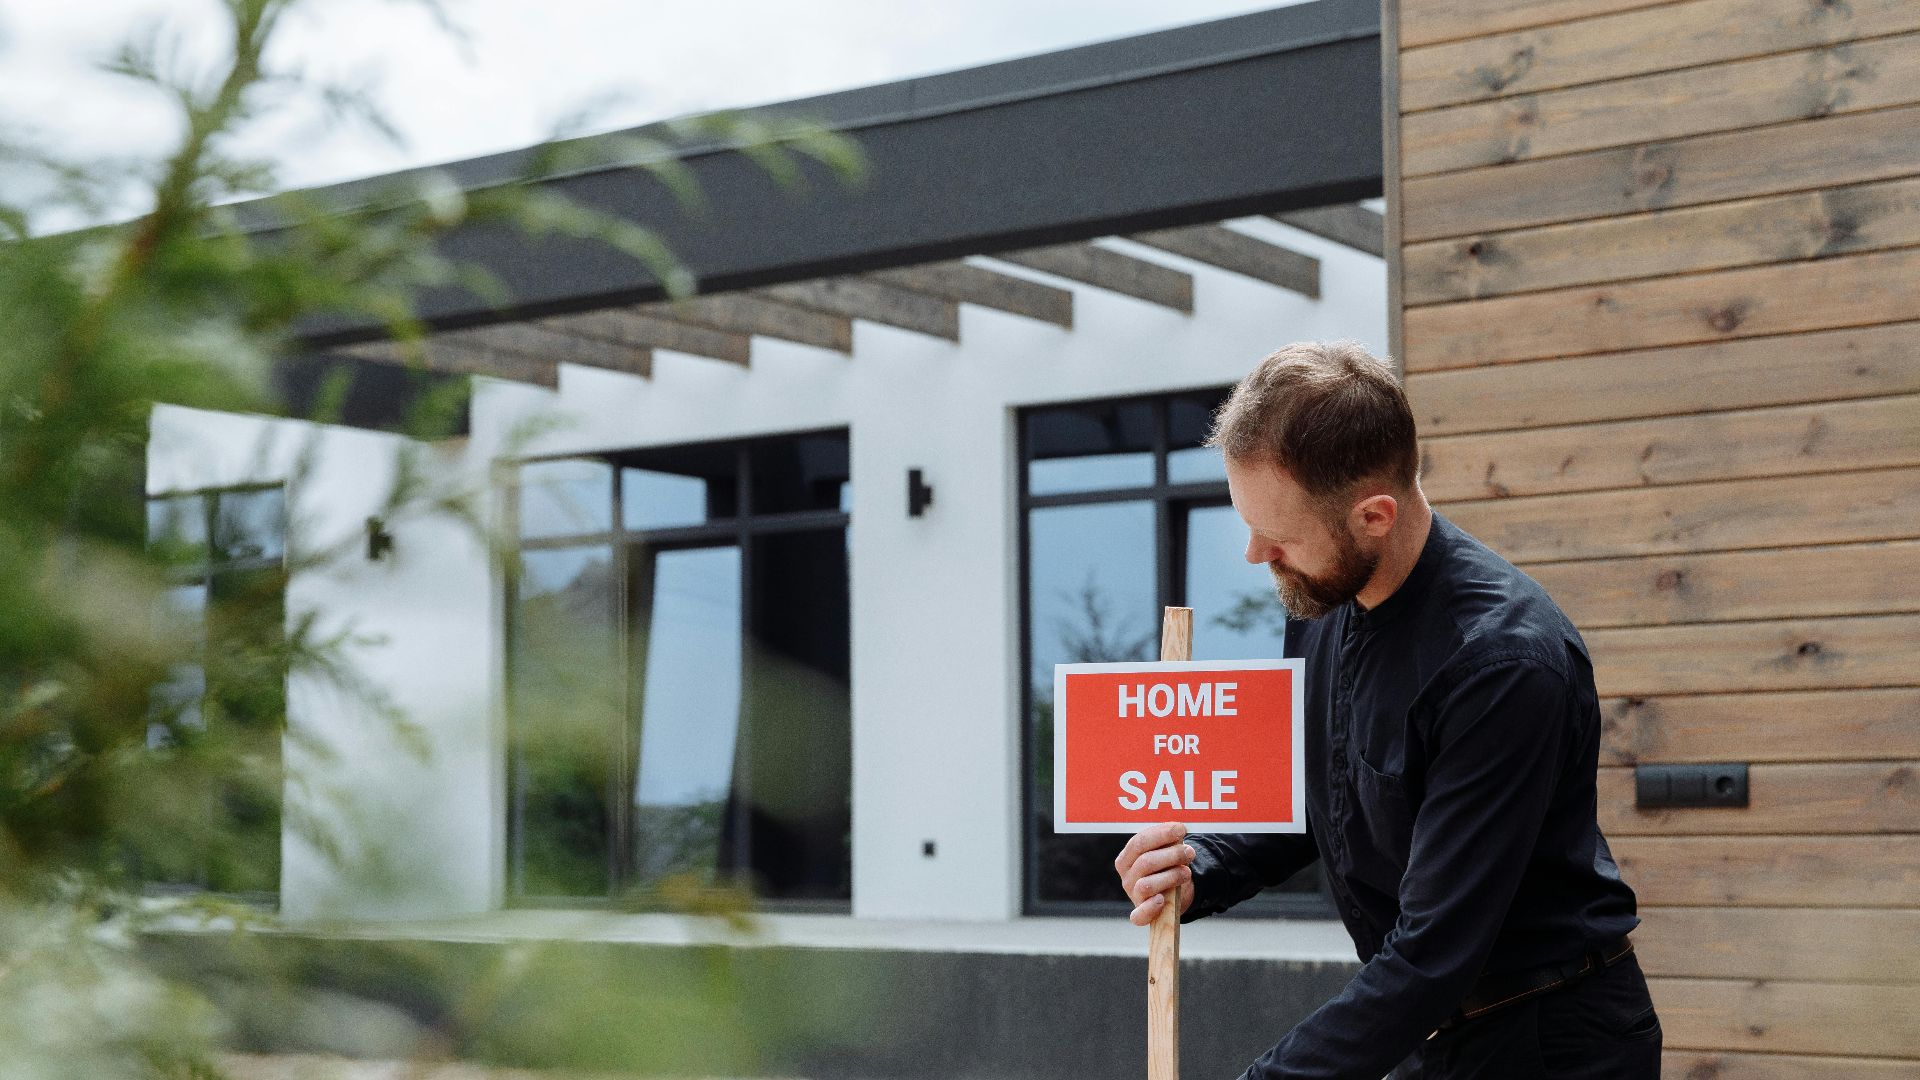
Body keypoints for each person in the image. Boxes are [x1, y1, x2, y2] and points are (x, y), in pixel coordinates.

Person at [1112, 341, 1660, 1079]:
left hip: (1549, 1044)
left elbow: (1434, 953)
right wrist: (1199, 868)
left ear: (1374, 515)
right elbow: (1321, 801)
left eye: (1279, 537)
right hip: (1425, 1032)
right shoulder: (1320, 598)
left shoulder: (1501, 665)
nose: (1253, 556)